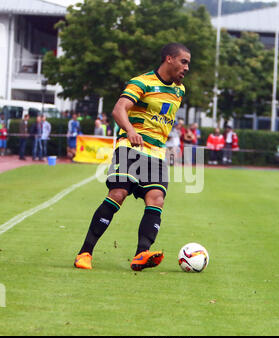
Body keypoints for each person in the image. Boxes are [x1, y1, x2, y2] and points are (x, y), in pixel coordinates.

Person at [74, 42, 191, 271]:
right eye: (183, 62)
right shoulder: (142, 82)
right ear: (169, 59)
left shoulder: (180, 90)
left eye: (188, 63)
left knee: (156, 198)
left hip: (157, 152)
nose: (186, 68)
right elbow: (119, 109)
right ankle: (85, 253)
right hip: (131, 146)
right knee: (118, 194)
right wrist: (131, 130)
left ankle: (141, 255)